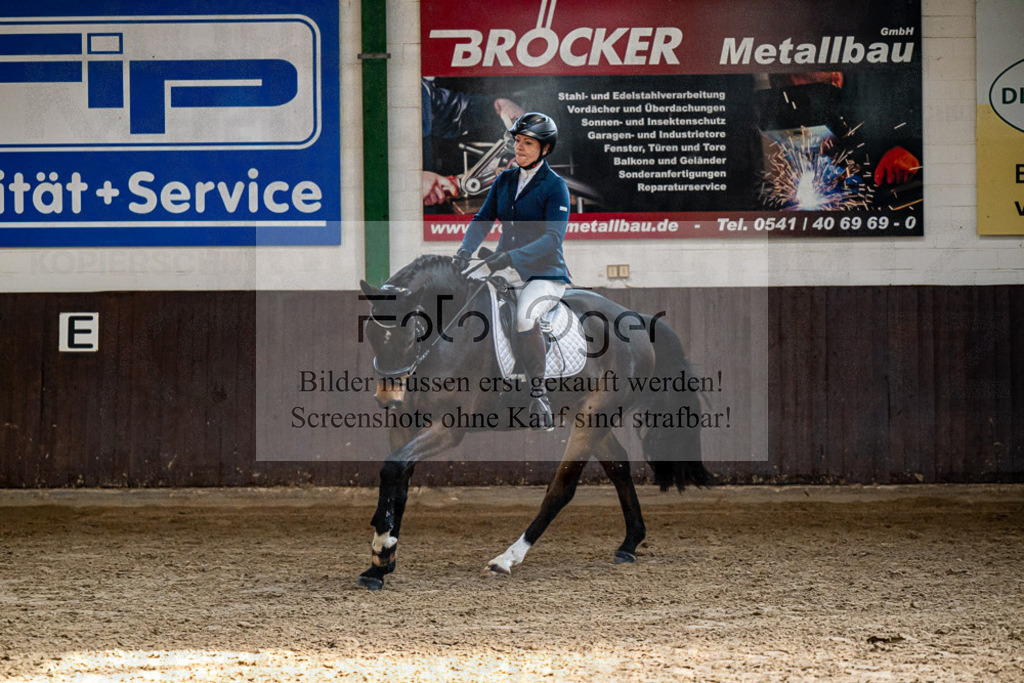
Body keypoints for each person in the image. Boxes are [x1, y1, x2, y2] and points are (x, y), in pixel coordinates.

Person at [453, 112, 570, 431]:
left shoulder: (556, 187)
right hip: (503, 266)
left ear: (544, 149)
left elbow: (552, 239)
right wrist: (466, 250)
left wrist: (509, 258)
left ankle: (538, 395)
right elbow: (483, 218)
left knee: (524, 317)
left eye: (527, 143)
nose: (519, 147)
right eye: (518, 141)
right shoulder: (504, 180)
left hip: (544, 273)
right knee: (469, 300)